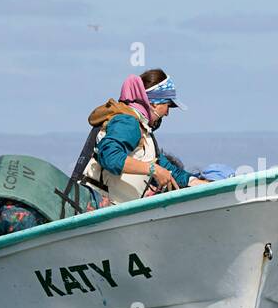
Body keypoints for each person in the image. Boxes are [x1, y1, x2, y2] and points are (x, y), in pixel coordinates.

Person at [78, 69, 208, 206]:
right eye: (167, 105)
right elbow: (110, 157)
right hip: (96, 205)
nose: (167, 113)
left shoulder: (145, 133)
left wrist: (195, 182)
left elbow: (168, 169)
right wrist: (153, 170)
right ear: (154, 103)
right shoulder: (128, 123)